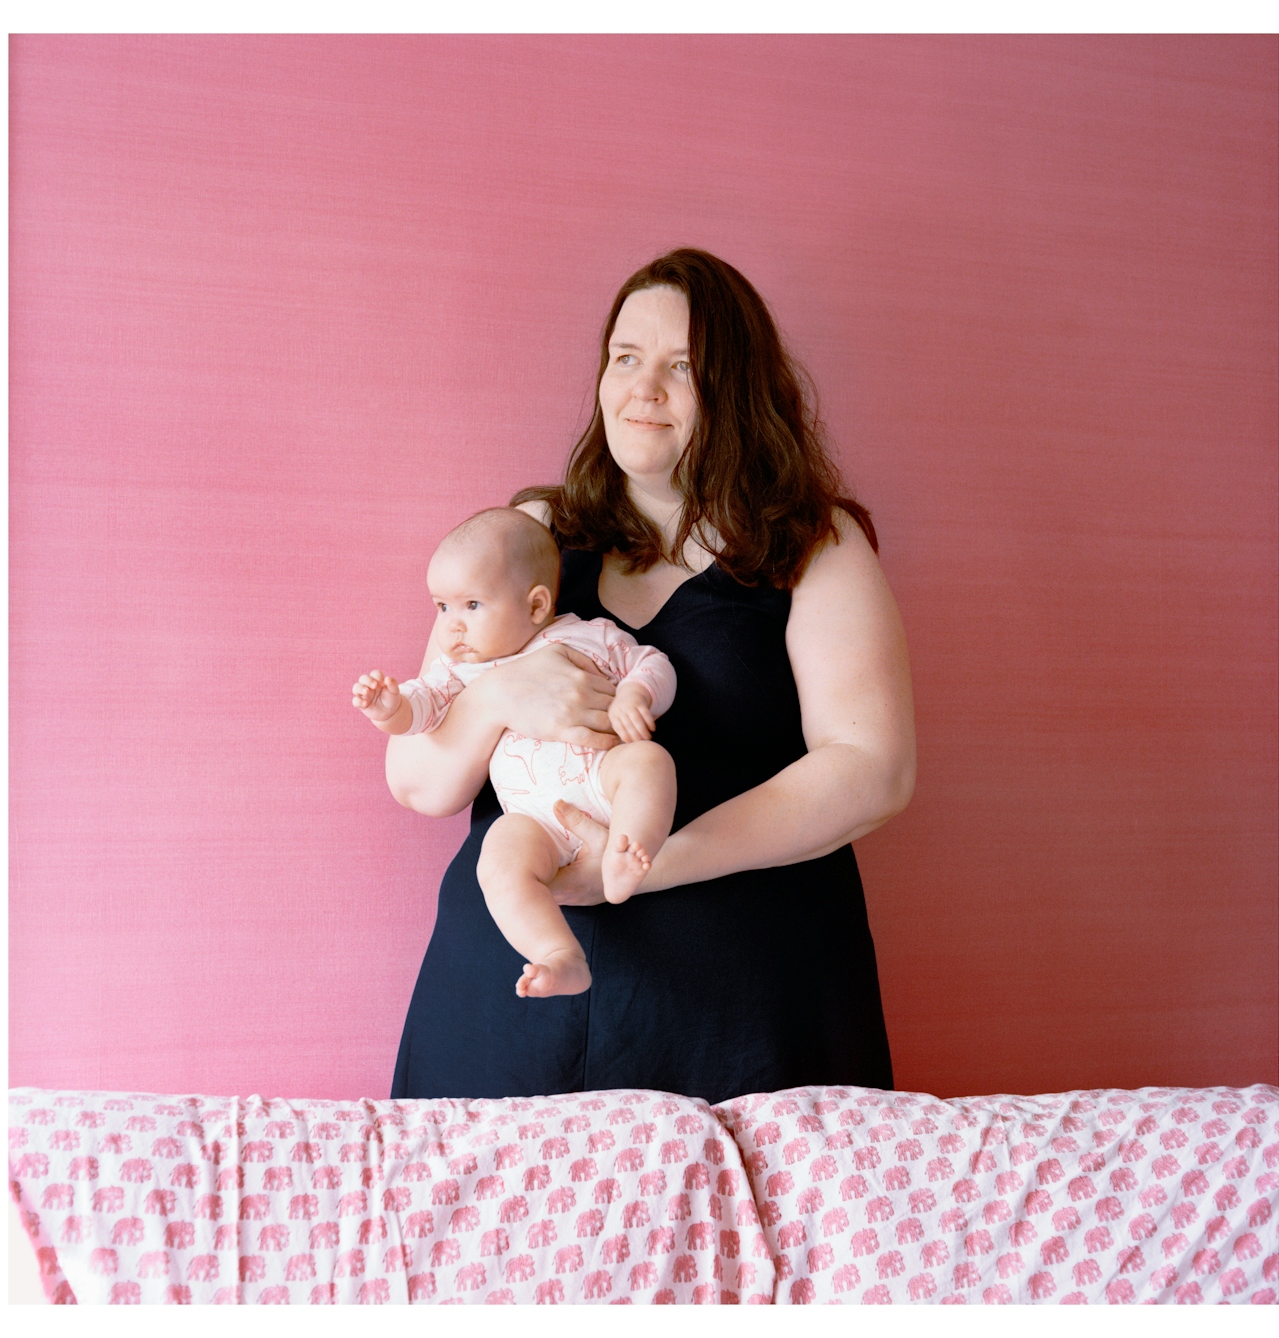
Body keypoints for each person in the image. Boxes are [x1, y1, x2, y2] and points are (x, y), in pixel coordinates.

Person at [388, 248, 916, 1105]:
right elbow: (416, 779)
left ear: (736, 391)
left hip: (748, 1017)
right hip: (513, 1010)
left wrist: (648, 861)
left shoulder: (815, 546)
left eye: (682, 368)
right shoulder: (531, 534)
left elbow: (873, 770)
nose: (645, 388)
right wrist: (493, 696)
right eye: (626, 358)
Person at [352, 507, 678, 999]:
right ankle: (559, 955)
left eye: (471, 606)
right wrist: (390, 708)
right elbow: (421, 713)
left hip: (602, 777)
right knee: (499, 860)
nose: (452, 628)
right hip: (535, 822)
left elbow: (650, 662)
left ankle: (627, 852)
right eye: (442, 608)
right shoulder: (459, 672)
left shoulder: (586, 635)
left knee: (648, 763)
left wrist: (637, 694)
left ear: (536, 604)